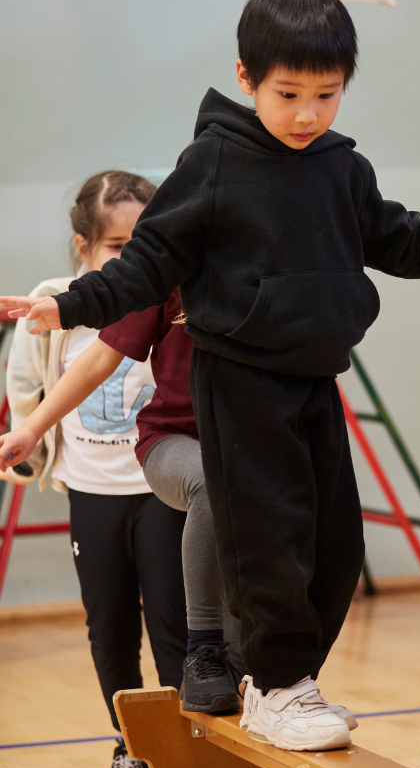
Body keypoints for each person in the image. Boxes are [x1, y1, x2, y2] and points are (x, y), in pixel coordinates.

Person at [1, 0, 420, 753]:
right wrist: (66, 305)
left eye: (326, 95)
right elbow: (147, 264)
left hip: (311, 379)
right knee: (264, 540)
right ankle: (273, 686)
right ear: (246, 79)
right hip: (236, 380)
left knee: (334, 549)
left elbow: (402, 240)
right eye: (288, 93)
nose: (306, 114)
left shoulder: (339, 167)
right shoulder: (213, 166)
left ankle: (286, 680)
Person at [4, 170, 185, 768]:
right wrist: (28, 442)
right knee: (109, 629)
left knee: (174, 625)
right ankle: (130, 747)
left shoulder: (166, 293)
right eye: (115, 245)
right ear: (83, 245)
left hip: (161, 488)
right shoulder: (56, 298)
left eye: (143, 241)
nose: (130, 256)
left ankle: (183, 748)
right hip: (92, 492)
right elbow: (26, 384)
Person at [0, 287, 248, 719]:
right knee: (114, 630)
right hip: (163, 451)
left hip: (245, 452)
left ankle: (255, 691)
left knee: (245, 650)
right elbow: (98, 357)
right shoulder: (164, 276)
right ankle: (198, 657)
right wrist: (31, 429)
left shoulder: (272, 268)